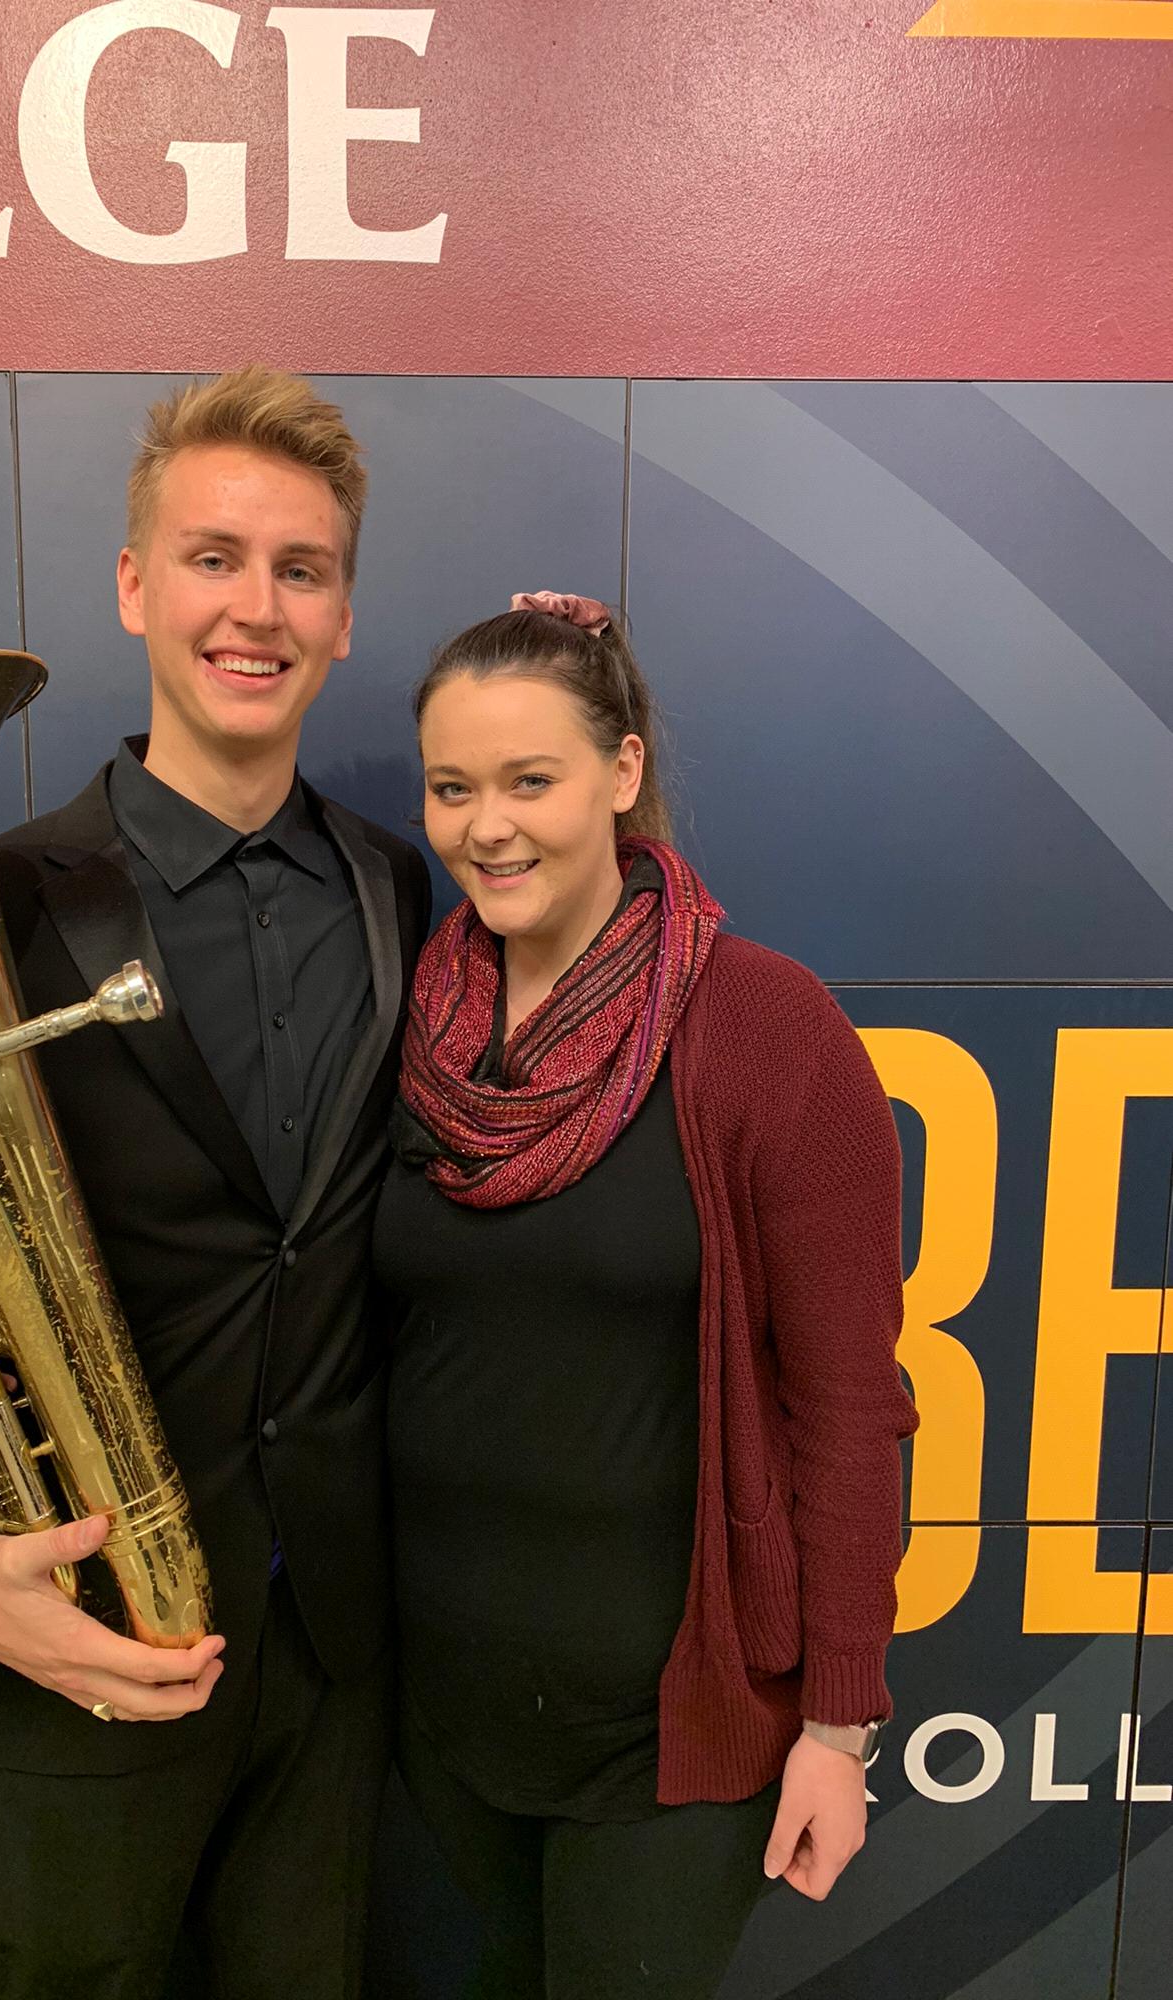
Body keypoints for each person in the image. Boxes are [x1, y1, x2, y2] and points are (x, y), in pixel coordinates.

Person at [0, 368, 431, 1999]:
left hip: (334, 1663)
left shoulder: (402, 890)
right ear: (135, 586)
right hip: (69, 1651)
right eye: (213, 557)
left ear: (345, 613)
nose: (255, 607)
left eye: (302, 568)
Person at [374, 591, 918, 1998]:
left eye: (531, 780)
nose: (486, 826)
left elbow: (853, 1407)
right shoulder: (413, 1027)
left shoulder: (765, 1029)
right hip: (449, 1715)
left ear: (622, 776)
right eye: (451, 787)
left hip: (669, 1743)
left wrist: (841, 1728)